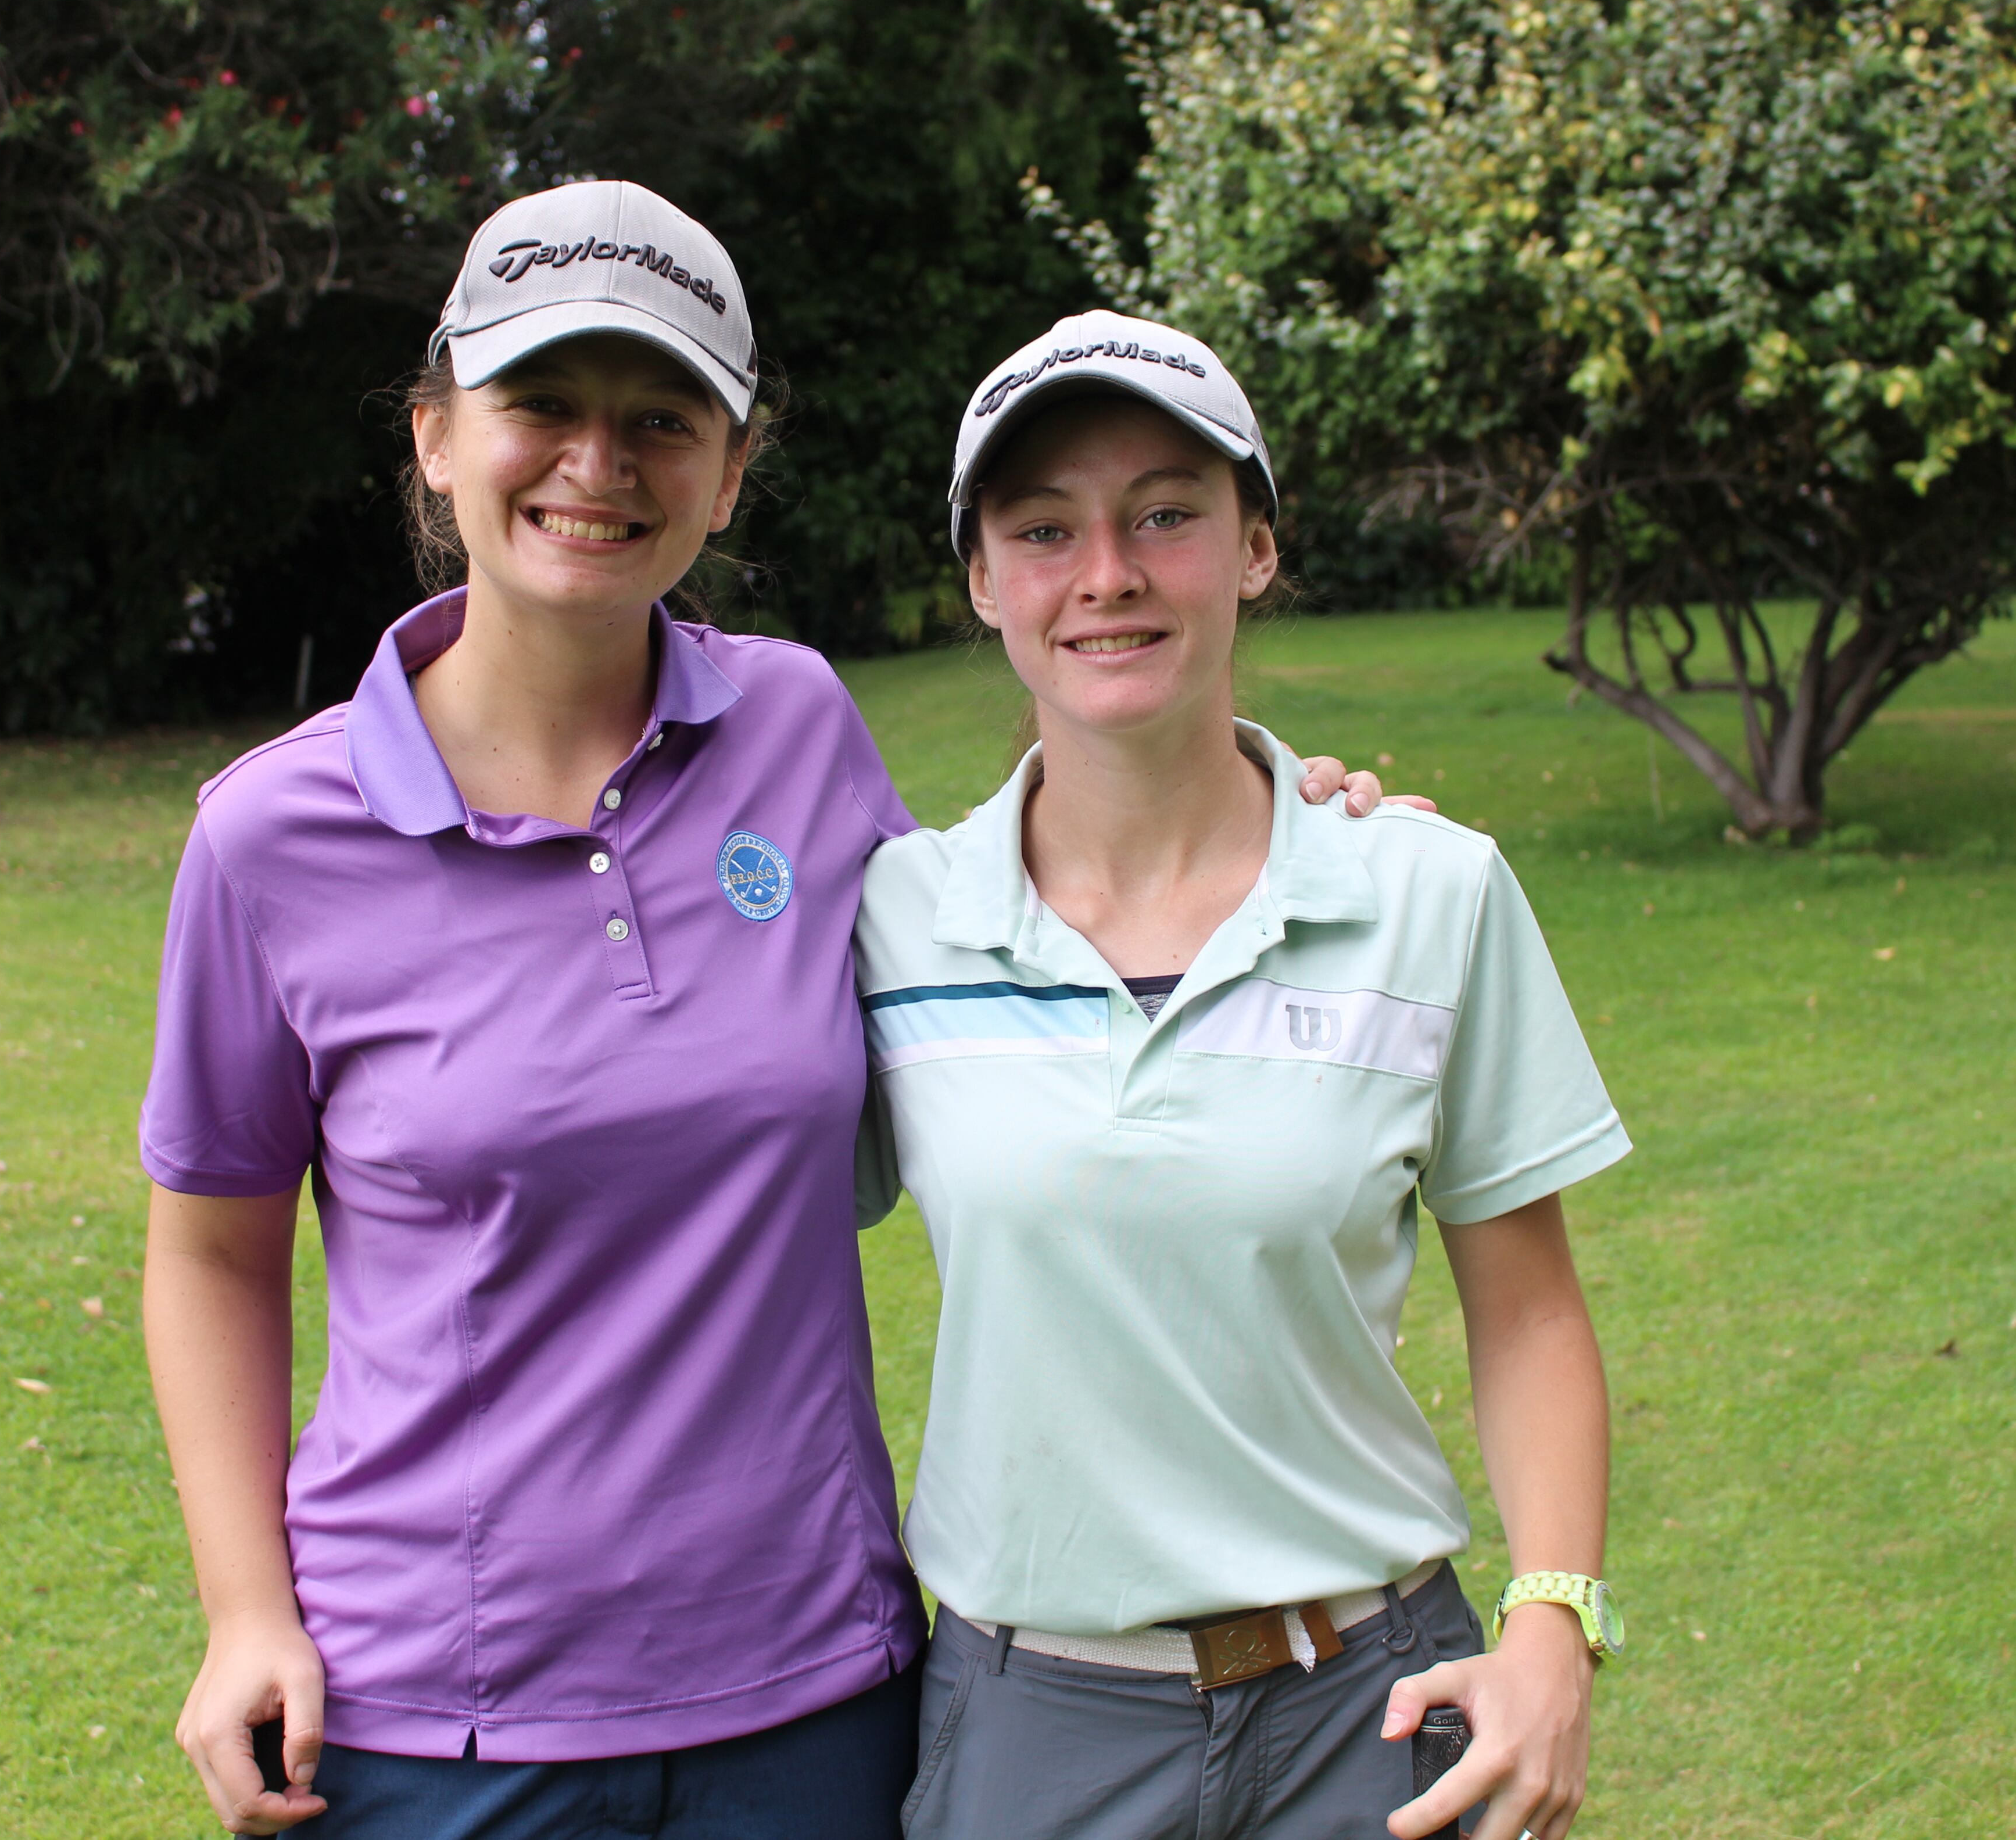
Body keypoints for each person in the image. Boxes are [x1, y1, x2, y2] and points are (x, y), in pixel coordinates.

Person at [137, 189, 1412, 1840]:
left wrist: (1273, 815)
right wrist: (247, 1612)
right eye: (543, 407)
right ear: (440, 436)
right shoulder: (270, 836)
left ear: (729, 472)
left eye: (661, 420)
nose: (598, 466)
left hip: (817, 1697)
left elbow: (1025, 938)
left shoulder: (798, 731)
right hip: (432, 1721)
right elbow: (211, 1249)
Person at [853, 310, 1632, 1840]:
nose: (1109, 574)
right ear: (986, 586)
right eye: (1044, 530)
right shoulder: (890, 921)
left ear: (1257, 547)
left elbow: (1530, 1304)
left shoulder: (1431, 894)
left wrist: (1552, 1619)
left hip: (1378, 1706)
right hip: (1033, 1726)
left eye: (1166, 514)